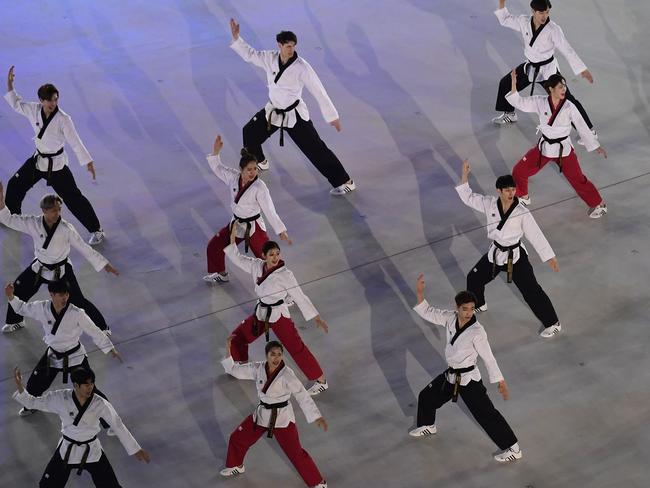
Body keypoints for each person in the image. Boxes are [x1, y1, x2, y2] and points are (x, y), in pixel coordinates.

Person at [228, 18, 355, 195]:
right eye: (288, 46)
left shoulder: (302, 67)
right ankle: (260, 161)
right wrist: (237, 38)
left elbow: (319, 91)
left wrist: (332, 116)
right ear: (279, 45)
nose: (291, 49)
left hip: (294, 116)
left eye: (293, 46)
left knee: (316, 150)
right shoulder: (270, 58)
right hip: (273, 111)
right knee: (249, 132)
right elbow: (250, 54)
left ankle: (345, 181)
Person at [409, 276, 522, 463]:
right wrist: (420, 293)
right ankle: (428, 424)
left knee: (487, 415)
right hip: (451, 376)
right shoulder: (450, 318)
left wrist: (500, 381)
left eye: (471, 308)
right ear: (457, 307)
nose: (469, 312)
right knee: (426, 396)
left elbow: (488, 357)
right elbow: (429, 312)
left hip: (469, 380)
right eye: (465, 309)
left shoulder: (477, 332)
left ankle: (513, 448)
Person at [456, 160, 561, 338]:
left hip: (515, 257)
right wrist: (465, 175)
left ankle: (553, 322)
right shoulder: (490, 204)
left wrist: (549, 257)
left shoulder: (521, 212)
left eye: (513, 189)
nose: (512, 193)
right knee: (473, 278)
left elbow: (535, 235)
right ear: (499, 191)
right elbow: (469, 198)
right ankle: (479, 304)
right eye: (508, 190)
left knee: (531, 291)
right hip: (495, 254)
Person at [3, 66, 105, 245]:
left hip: (56, 166)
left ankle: (96, 230)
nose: (53, 104)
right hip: (38, 161)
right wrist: (10, 84)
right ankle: (11, 217)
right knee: (15, 185)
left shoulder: (63, 119)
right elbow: (17, 103)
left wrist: (88, 161)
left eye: (55, 100)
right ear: (41, 100)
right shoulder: (33, 110)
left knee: (74, 198)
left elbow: (75, 141)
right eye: (49, 100)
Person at [225, 225, 329, 394]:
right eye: (271, 254)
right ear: (264, 256)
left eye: (277, 254)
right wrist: (231, 237)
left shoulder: (285, 274)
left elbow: (299, 296)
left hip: (279, 316)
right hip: (261, 313)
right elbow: (237, 258)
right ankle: (240, 365)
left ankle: (321, 381)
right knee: (237, 336)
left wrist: (316, 317)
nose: (275, 257)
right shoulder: (256, 266)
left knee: (297, 348)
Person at [0, 186, 118, 333]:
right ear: (44, 211)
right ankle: (15, 321)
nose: (58, 213)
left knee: (78, 301)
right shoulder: (33, 223)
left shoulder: (65, 228)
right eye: (54, 210)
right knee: (17, 291)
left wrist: (103, 264)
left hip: (61, 269)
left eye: (59, 209)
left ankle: (102, 328)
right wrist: (1, 202)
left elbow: (83, 247)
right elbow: (9, 220)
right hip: (40, 267)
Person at [12, 366, 150, 487]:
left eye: (92, 383)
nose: (90, 387)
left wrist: (135, 449)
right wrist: (20, 387)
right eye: (86, 384)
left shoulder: (99, 403)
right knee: (47, 485)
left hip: (91, 450)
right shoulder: (61, 398)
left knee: (110, 485)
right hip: (67, 449)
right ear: (76, 385)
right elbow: (33, 403)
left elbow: (117, 425)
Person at [220, 339, 328, 487]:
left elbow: (302, 394)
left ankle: (318, 483)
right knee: (237, 437)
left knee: (296, 454)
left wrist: (316, 416)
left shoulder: (287, 374)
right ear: (266, 355)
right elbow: (234, 370)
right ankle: (235, 466)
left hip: (282, 418)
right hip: (262, 414)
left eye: (279, 354)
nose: (276, 358)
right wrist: (228, 349)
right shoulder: (257, 367)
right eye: (272, 354)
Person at [5, 280, 121, 417]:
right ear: (52, 294)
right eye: (60, 295)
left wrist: (110, 348)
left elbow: (94, 331)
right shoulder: (42, 308)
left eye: (66, 294)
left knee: (89, 389)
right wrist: (11, 297)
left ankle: (110, 420)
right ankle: (30, 405)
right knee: (35, 384)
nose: (64, 298)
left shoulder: (77, 313)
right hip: (53, 354)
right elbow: (22, 308)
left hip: (74, 356)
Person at [506, 71, 608, 218]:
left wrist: (595, 146)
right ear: (551, 89)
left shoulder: (569, 106)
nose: (564, 89)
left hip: (563, 150)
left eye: (564, 86)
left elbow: (581, 125)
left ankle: (599, 204)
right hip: (544, 148)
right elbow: (520, 103)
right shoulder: (540, 101)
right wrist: (514, 85)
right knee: (519, 171)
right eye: (560, 87)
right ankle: (523, 197)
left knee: (578, 179)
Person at [203, 134, 292, 284]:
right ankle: (221, 273)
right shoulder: (233, 177)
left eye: (255, 169)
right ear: (241, 169)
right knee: (215, 245)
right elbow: (218, 169)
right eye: (249, 169)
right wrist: (216, 153)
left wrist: (280, 230)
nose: (253, 172)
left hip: (254, 227)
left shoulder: (259, 187)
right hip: (237, 224)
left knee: (268, 258)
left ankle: (286, 293)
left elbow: (269, 209)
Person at [492, 0, 594, 128]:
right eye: (541, 12)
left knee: (566, 101)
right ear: (533, 11)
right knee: (506, 83)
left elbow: (567, 49)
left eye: (547, 12)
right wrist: (502, 2)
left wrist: (582, 69)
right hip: (530, 67)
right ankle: (510, 114)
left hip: (547, 70)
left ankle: (588, 131)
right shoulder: (524, 22)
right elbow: (505, 19)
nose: (544, 16)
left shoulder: (553, 29)